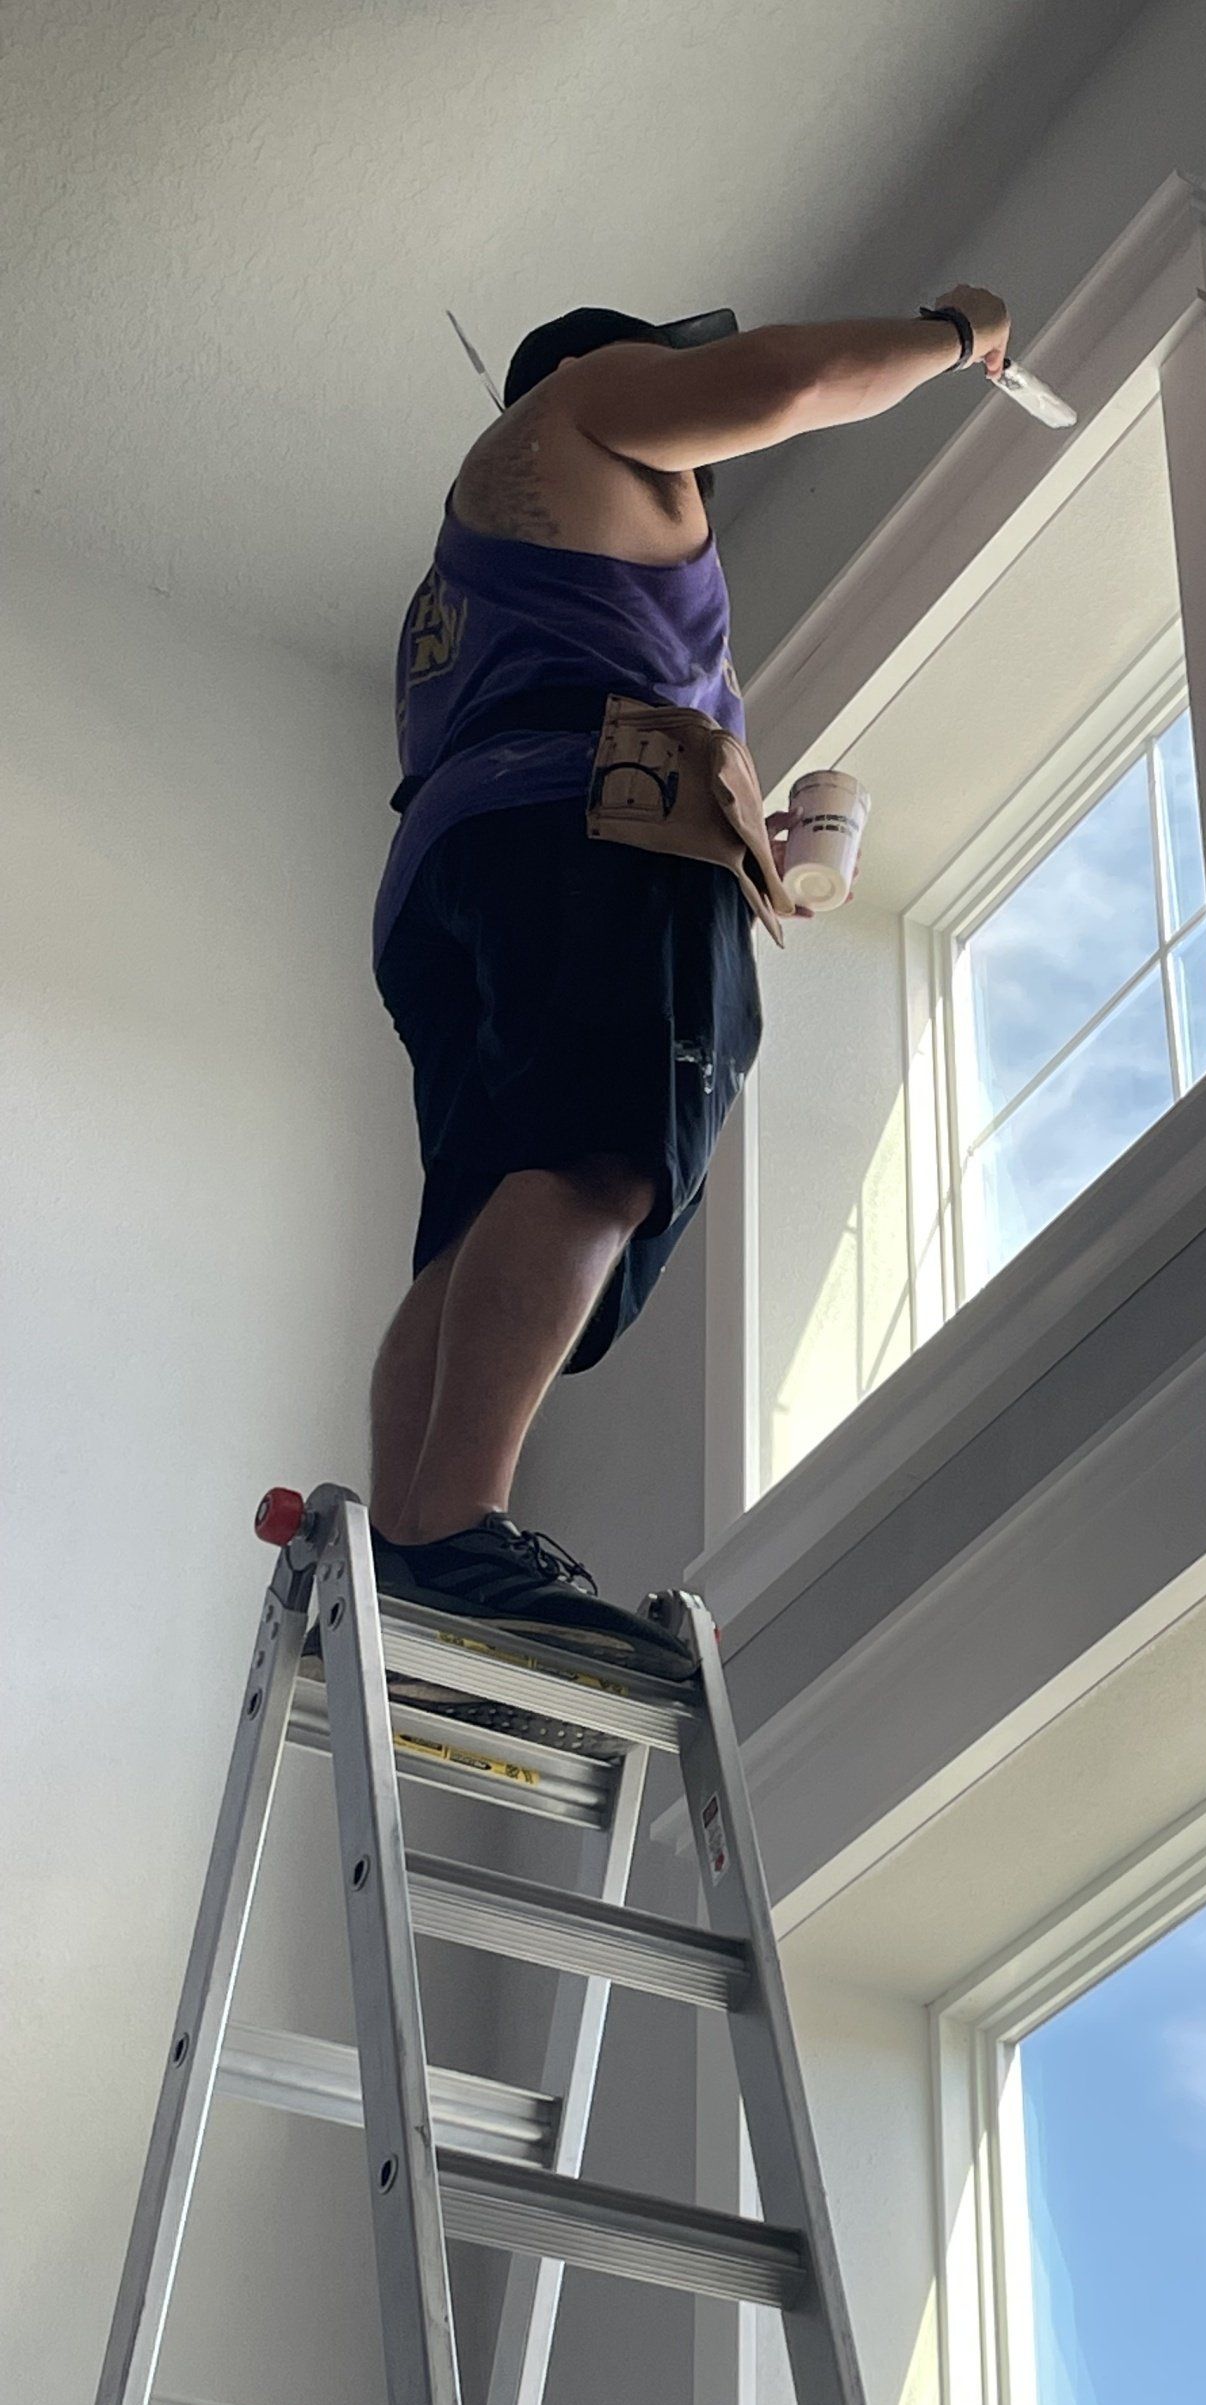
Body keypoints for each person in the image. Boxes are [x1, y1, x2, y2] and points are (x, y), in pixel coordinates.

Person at [367, 285, 1013, 1674]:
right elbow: (795, 380)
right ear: (613, 371)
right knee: (603, 1153)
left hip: (468, 861)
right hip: (583, 824)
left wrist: (739, 845)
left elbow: (550, 703)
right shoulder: (589, 406)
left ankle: (411, 1538)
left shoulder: (479, 565)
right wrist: (957, 335)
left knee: (482, 1206)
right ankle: (456, 1522)